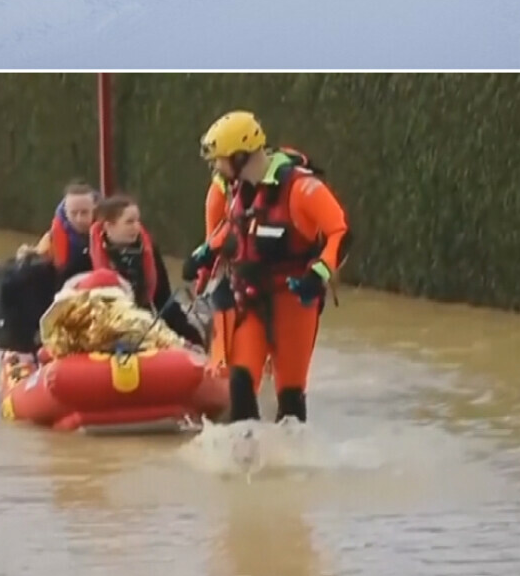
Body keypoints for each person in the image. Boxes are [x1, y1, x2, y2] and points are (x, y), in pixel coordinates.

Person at [184, 112, 349, 424]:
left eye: (219, 160)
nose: (215, 168)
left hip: (295, 302)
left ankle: (289, 465)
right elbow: (234, 229)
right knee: (240, 383)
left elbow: (340, 232)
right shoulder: (242, 189)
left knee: (290, 398)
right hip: (249, 301)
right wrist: (205, 254)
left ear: (240, 156)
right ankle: (245, 461)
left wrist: (320, 274)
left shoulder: (301, 188)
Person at [88, 195, 206, 348]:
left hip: (145, 322)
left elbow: (163, 298)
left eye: (138, 221)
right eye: (129, 222)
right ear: (109, 226)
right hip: (105, 330)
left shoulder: (148, 250)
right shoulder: (87, 256)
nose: (136, 227)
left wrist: (190, 336)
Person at [31, 182, 99, 279]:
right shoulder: (50, 241)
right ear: (66, 212)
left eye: (84, 212)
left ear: (94, 209)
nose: (79, 219)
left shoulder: (109, 232)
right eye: (73, 213)